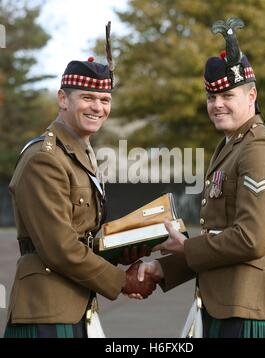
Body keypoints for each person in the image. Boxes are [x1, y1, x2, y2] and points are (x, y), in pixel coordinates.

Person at [134, 18, 265, 338]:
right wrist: (162, 268)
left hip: (250, 311)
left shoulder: (260, 149)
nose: (217, 104)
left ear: (251, 96)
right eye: (211, 97)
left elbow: (250, 240)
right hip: (225, 306)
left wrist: (187, 249)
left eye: (227, 96)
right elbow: (220, 239)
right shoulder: (230, 148)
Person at [3, 23, 158, 338]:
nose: (99, 108)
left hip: (74, 306)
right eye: (88, 97)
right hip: (46, 312)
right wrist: (122, 281)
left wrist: (122, 247)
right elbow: (59, 247)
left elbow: (84, 234)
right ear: (63, 99)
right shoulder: (45, 158)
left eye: (105, 100)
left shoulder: (80, 154)